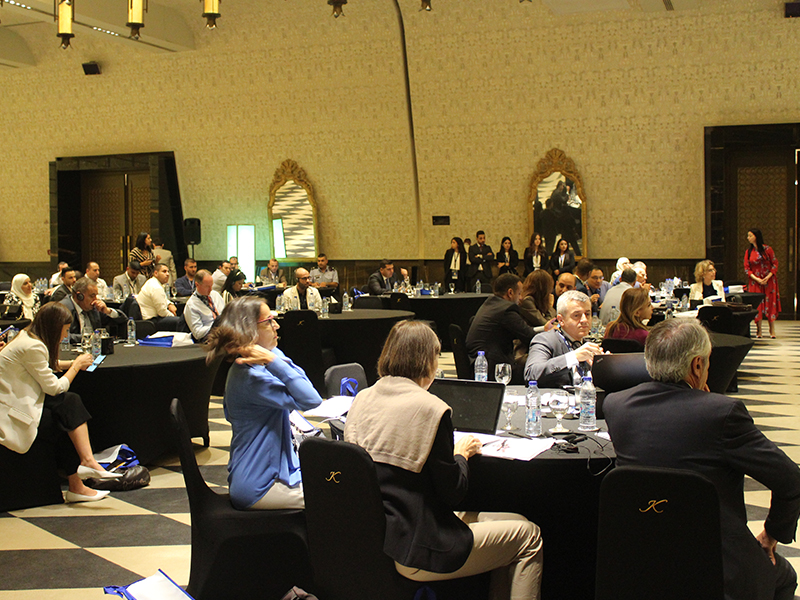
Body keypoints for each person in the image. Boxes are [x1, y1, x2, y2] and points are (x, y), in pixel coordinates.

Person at [345, 320, 543, 600]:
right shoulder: (432, 409)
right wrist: (460, 454)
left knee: (516, 521)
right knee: (529, 537)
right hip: (417, 546)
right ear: (427, 361)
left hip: (375, 535)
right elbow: (453, 493)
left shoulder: (363, 398)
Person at [603, 319, 800, 600]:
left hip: (642, 557)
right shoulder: (722, 413)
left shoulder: (616, 405)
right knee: (786, 575)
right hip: (717, 565)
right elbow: (790, 479)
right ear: (697, 365)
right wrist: (771, 534)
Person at [203, 297, 322, 509]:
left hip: (273, 473)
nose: (276, 325)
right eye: (268, 321)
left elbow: (302, 383)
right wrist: (273, 360)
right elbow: (311, 399)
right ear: (250, 331)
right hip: (260, 484)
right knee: (339, 497)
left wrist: (272, 357)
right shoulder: (249, 377)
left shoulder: (266, 359)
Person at [0, 303, 121, 503]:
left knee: (68, 410)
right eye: (64, 330)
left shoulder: (27, 337)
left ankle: (82, 476)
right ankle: (84, 469)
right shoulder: (33, 346)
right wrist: (76, 366)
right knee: (67, 410)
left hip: (19, 402)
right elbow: (55, 388)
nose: (65, 336)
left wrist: (71, 364)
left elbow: (43, 368)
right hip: (13, 413)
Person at [466, 273, 538, 384]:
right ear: (510, 293)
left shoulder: (491, 303)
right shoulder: (506, 310)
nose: (521, 298)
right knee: (538, 373)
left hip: (478, 364)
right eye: (519, 293)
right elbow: (529, 336)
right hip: (494, 370)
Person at [525, 290, 603, 388]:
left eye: (587, 314)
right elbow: (531, 374)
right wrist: (574, 357)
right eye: (576, 315)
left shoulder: (590, 345)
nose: (584, 320)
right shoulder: (545, 340)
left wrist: (606, 367)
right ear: (561, 320)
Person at [60, 277, 128, 342]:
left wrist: (108, 311)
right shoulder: (63, 309)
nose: (96, 299)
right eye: (92, 296)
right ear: (79, 296)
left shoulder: (94, 307)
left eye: (96, 295)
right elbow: (62, 336)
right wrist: (89, 337)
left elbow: (123, 320)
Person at [744, 229, 780, 338]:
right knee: (758, 305)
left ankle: (772, 328)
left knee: (770, 303)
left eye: (750, 236)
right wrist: (757, 279)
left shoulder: (768, 249)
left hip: (769, 280)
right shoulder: (748, 252)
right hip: (755, 281)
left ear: (756, 236)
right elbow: (747, 268)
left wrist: (768, 277)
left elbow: (775, 264)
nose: (748, 238)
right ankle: (758, 329)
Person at [137, 264, 182, 330]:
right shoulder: (156, 287)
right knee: (180, 321)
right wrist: (173, 316)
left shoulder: (152, 281)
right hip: (151, 321)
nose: (167, 274)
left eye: (168, 271)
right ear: (156, 273)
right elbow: (162, 312)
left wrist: (169, 304)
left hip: (149, 319)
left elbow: (162, 299)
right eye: (164, 271)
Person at [183, 270, 224, 342]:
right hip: (208, 339)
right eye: (207, 286)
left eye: (211, 285)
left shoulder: (215, 295)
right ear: (197, 285)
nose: (210, 289)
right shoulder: (191, 305)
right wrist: (215, 326)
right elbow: (197, 333)